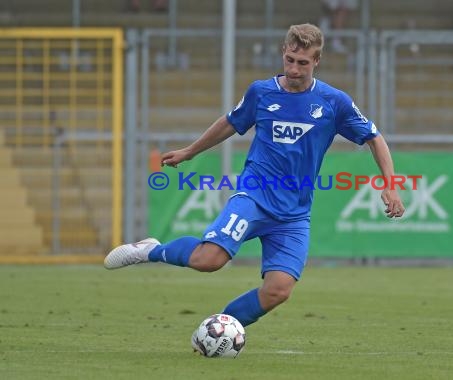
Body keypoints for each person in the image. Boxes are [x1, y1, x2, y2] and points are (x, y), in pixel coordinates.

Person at [104, 24, 404, 335]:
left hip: (293, 214)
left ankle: (218, 330)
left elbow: (374, 137)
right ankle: (149, 250)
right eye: (290, 60)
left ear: (317, 61)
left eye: (303, 63)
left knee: (278, 290)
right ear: (282, 53)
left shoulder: (333, 102)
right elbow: (231, 123)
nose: (294, 69)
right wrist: (190, 151)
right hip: (254, 197)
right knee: (209, 260)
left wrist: (391, 185)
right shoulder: (261, 92)